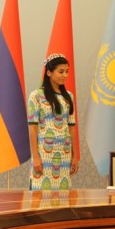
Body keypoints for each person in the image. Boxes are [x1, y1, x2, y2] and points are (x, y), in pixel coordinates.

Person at [28, 54, 78, 191]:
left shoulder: (69, 96)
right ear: (49, 72)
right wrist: (35, 157)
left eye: (67, 71)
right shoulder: (36, 96)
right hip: (44, 154)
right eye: (61, 71)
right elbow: (33, 128)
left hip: (64, 154)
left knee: (63, 196)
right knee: (40, 195)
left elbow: (72, 128)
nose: (65, 75)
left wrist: (75, 156)